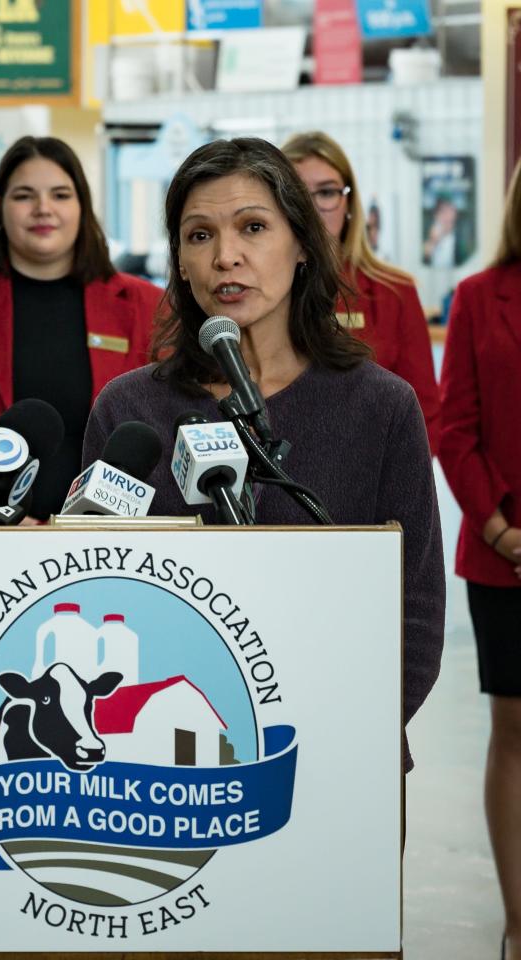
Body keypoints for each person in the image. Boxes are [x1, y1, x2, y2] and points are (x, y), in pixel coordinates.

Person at [83, 137, 444, 772]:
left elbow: (413, 614)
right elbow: (98, 598)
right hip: (165, 765)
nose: (227, 256)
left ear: (303, 245)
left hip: (346, 755)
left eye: (253, 227)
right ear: (180, 262)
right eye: (199, 236)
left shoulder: (383, 407)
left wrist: (350, 731)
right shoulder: (128, 410)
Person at [0, 135, 163, 519]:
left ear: (83, 206)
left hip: (107, 541)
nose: (43, 209)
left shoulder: (145, 305)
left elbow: (160, 431)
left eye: (61, 195)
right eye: (24, 196)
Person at [438, 158, 521, 960]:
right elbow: (454, 425)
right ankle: (519, 924)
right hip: (506, 556)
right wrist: (500, 529)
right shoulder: (477, 296)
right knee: (516, 730)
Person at [281, 131, 441, 454]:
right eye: (298, 194)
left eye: (326, 192)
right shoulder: (255, 292)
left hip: (371, 480)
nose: (313, 209)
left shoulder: (394, 292)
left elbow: (425, 412)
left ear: (349, 204)